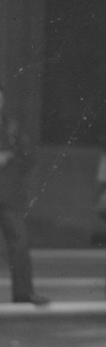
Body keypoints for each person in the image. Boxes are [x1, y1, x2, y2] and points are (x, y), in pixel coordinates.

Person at [0, 84, 49, 306]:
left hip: (8, 195)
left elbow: (29, 158)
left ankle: (24, 293)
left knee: (20, 241)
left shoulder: (11, 126)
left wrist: (10, 157)